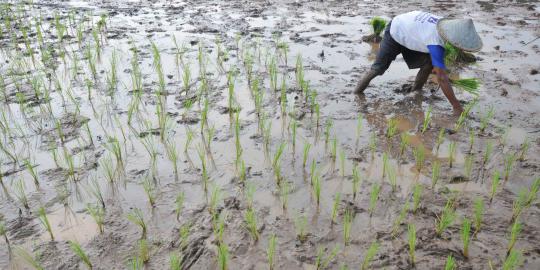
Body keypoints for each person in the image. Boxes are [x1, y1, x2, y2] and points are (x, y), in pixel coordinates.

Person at [354, 11, 483, 115]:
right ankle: (356, 94)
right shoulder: (435, 42)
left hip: (411, 32)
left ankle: (416, 91)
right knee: (378, 69)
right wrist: (456, 106)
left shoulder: (445, 25)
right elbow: (442, 79)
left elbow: (439, 68)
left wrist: (439, 68)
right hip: (395, 30)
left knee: (429, 62)